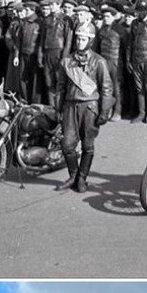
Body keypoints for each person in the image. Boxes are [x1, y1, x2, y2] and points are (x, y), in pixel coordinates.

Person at [55, 20, 114, 193]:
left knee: (88, 145)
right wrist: (58, 109)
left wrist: (104, 111)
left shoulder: (99, 61)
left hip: (90, 107)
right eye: (78, 38)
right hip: (70, 107)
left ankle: (82, 179)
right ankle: (73, 175)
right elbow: (60, 86)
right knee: (67, 144)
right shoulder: (67, 61)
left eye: (83, 39)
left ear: (90, 41)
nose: (79, 41)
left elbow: (106, 87)